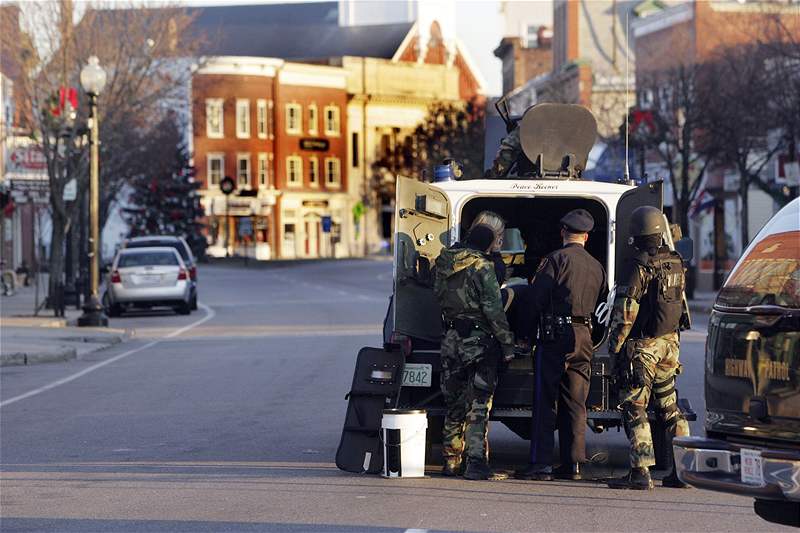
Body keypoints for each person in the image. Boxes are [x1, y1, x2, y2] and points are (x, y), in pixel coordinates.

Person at [514, 209, 607, 481]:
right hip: (584, 337)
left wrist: (524, 334)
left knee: (545, 401)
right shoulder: (597, 266)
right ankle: (573, 464)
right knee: (576, 402)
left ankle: (541, 464)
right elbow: (603, 304)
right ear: (587, 237)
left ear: (563, 233)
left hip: (555, 336)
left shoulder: (555, 260)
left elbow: (535, 300)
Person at [606, 206, 691, 490]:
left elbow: (625, 312)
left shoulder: (639, 265)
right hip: (670, 344)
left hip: (644, 347)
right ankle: (682, 471)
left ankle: (640, 472)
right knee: (669, 407)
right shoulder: (675, 261)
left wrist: (615, 347)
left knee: (635, 406)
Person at [433, 223, 515, 480]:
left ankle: (451, 461)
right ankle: (476, 463)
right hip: (478, 342)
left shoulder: (443, 263)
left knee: (454, 403)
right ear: (487, 244)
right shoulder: (482, 266)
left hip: (450, 339)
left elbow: (436, 295)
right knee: (478, 405)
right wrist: (507, 344)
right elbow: (494, 309)